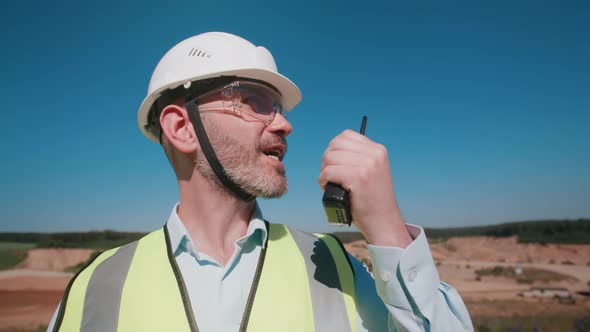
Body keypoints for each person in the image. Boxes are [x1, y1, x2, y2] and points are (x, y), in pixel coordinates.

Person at [47, 32, 473, 331]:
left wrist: (389, 231)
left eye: (280, 109)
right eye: (255, 103)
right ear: (181, 128)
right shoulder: (96, 286)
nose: (285, 125)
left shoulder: (332, 263)